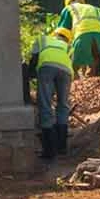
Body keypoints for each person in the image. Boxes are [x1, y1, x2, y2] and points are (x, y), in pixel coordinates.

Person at [28, 24, 73, 161]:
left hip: (46, 67)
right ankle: (62, 146)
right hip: (66, 71)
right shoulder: (68, 47)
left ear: (55, 34)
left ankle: (49, 150)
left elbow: (34, 59)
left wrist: (30, 74)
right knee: (63, 105)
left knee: (45, 104)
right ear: (67, 39)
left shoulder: (43, 39)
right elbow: (68, 63)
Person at [59, 0, 100, 77]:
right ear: (82, 1)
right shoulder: (95, 9)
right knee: (96, 70)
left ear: (68, 3)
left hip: (82, 37)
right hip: (99, 38)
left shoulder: (69, 8)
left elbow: (61, 33)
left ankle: (74, 87)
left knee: (71, 70)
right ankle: (93, 82)